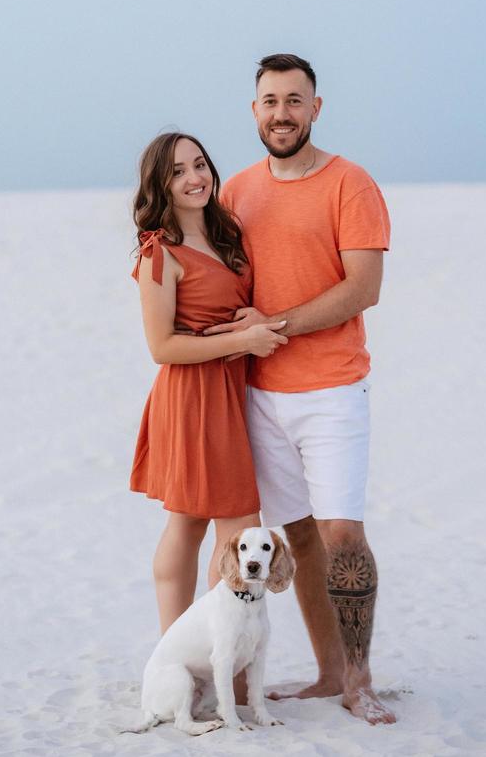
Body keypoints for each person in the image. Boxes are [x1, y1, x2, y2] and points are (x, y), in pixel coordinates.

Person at [206, 53, 396, 725]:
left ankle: (360, 678)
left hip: (332, 390)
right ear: (253, 111)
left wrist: (274, 325)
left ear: (316, 108)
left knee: (343, 534)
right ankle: (326, 673)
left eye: (293, 100)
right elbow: (215, 279)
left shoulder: (351, 184)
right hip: (258, 396)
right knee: (300, 538)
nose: (280, 113)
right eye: (268, 101)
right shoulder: (237, 192)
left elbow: (362, 289)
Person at [130, 132, 288, 634]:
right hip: (193, 396)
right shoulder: (160, 253)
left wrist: (251, 329)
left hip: (233, 391)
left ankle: (226, 671)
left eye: (199, 165)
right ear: (160, 184)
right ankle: (180, 659)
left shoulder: (225, 234)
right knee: (205, 523)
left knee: (210, 523)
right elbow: (163, 348)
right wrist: (244, 342)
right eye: (177, 172)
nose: (194, 178)